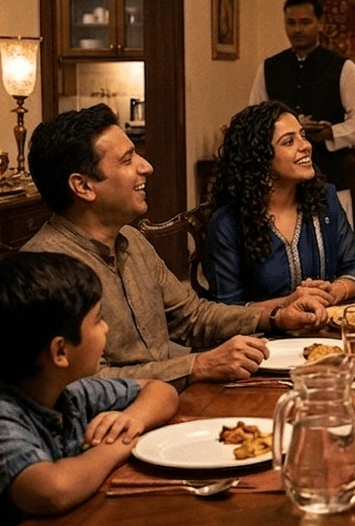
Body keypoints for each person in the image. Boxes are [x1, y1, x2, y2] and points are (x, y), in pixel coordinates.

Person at [22, 105, 327, 390]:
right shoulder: (44, 270)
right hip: (109, 427)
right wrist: (197, 365)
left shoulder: (132, 240)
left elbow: (191, 316)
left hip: (165, 402)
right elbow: (86, 384)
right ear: (84, 186)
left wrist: (275, 315)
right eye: (128, 160)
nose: (147, 167)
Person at [0, 252, 178, 523]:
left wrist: (131, 419)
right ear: (60, 351)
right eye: (98, 320)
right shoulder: (6, 416)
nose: (105, 329)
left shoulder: (72, 393)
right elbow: (53, 490)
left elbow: (161, 391)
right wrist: (119, 446)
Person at [204, 101, 355, 307]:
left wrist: (336, 291)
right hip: (261, 337)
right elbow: (226, 309)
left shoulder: (324, 199)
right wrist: (289, 304)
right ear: (260, 158)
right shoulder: (228, 222)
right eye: (289, 142)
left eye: (303, 135)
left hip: (324, 332)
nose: (306, 146)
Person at [249, 0, 355, 227]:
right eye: (291, 23)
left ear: (321, 23)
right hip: (280, 186)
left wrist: (331, 133)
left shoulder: (343, 67)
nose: (297, 29)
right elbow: (254, 118)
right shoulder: (269, 67)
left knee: (336, 253)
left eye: (305, 22)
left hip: (330, 177)